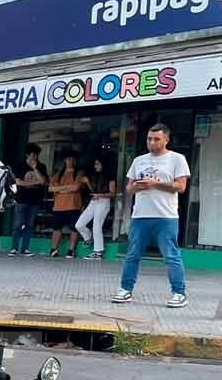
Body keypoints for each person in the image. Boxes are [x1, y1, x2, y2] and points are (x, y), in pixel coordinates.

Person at [112, 123, 190, 308]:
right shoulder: (139, 160)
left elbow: (181, 187)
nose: (152, 142)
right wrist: (136, 187)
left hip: (166, 216)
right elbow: (128, 188)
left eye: (156, 139)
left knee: (171, 256)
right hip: (140, 215)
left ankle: (179, 293)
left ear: (166, 140)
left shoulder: (177, 159)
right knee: (132, 255)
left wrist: (156, 184)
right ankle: (125, 290)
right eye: (149, 139)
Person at [9, 144, 47, 257]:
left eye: (36, 155)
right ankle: (14, 248)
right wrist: (36, 182)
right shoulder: (20, 166)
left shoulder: (41, 167)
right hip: (21, 200)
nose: (35, 157)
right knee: (17, 224)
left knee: (30, 226)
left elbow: (43, 181)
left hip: (35, 200)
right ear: (27, 155)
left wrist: (35, 168)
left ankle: (25, 248)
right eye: (33, 155)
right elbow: (18, 182)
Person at [75, 156, 116, 260]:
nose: (95, 166)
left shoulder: (110, 176)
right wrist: (88, 182)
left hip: (103, 202)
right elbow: (93, 190)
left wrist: (100, 195)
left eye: (97, 164)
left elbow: (112, 193)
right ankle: (88, 238)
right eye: (95, 164)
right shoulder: (94, 175)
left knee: (96, 226)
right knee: (79, 224)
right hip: (94, 201)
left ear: (103, 164)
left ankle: (98, 252)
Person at [48, 152, 84, 258]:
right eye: (68, 159)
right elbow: (50, 188)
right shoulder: (58, 174)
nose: (70, 161)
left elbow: (76, 187)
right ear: (65, 160)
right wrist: (67, 187)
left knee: (74, 228)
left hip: (73, 205)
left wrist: (60, 189)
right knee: (56, 228)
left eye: (72, 159)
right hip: (58, 206)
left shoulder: (79, 172)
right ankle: (54, 249)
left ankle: (71, 250)